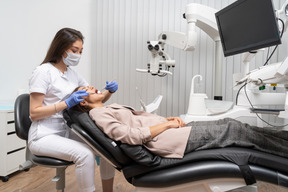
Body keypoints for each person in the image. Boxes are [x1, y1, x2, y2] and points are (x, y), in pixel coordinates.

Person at [72, 86, 288, 159]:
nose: (94, 88)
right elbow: (131, 136)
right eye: (88, 90)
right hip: (167, 140)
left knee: (230, 122)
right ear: (82, 102)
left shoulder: (106, 108)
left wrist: (166, 119)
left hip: (170, 132)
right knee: (235, 131)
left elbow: (138, 122)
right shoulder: (98, 115)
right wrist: (167, 125)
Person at [29, 28, 116, 192]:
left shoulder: (73, 74)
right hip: (43, 135)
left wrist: (108, 92)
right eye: (74, 50)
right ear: (61, 48)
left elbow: (93, 100)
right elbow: (34, 113)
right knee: (85, 155)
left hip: (68, 131)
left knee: (107, 149)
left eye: (81, 51)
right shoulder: (43, 72)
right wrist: (66, 104)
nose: (78, 54)